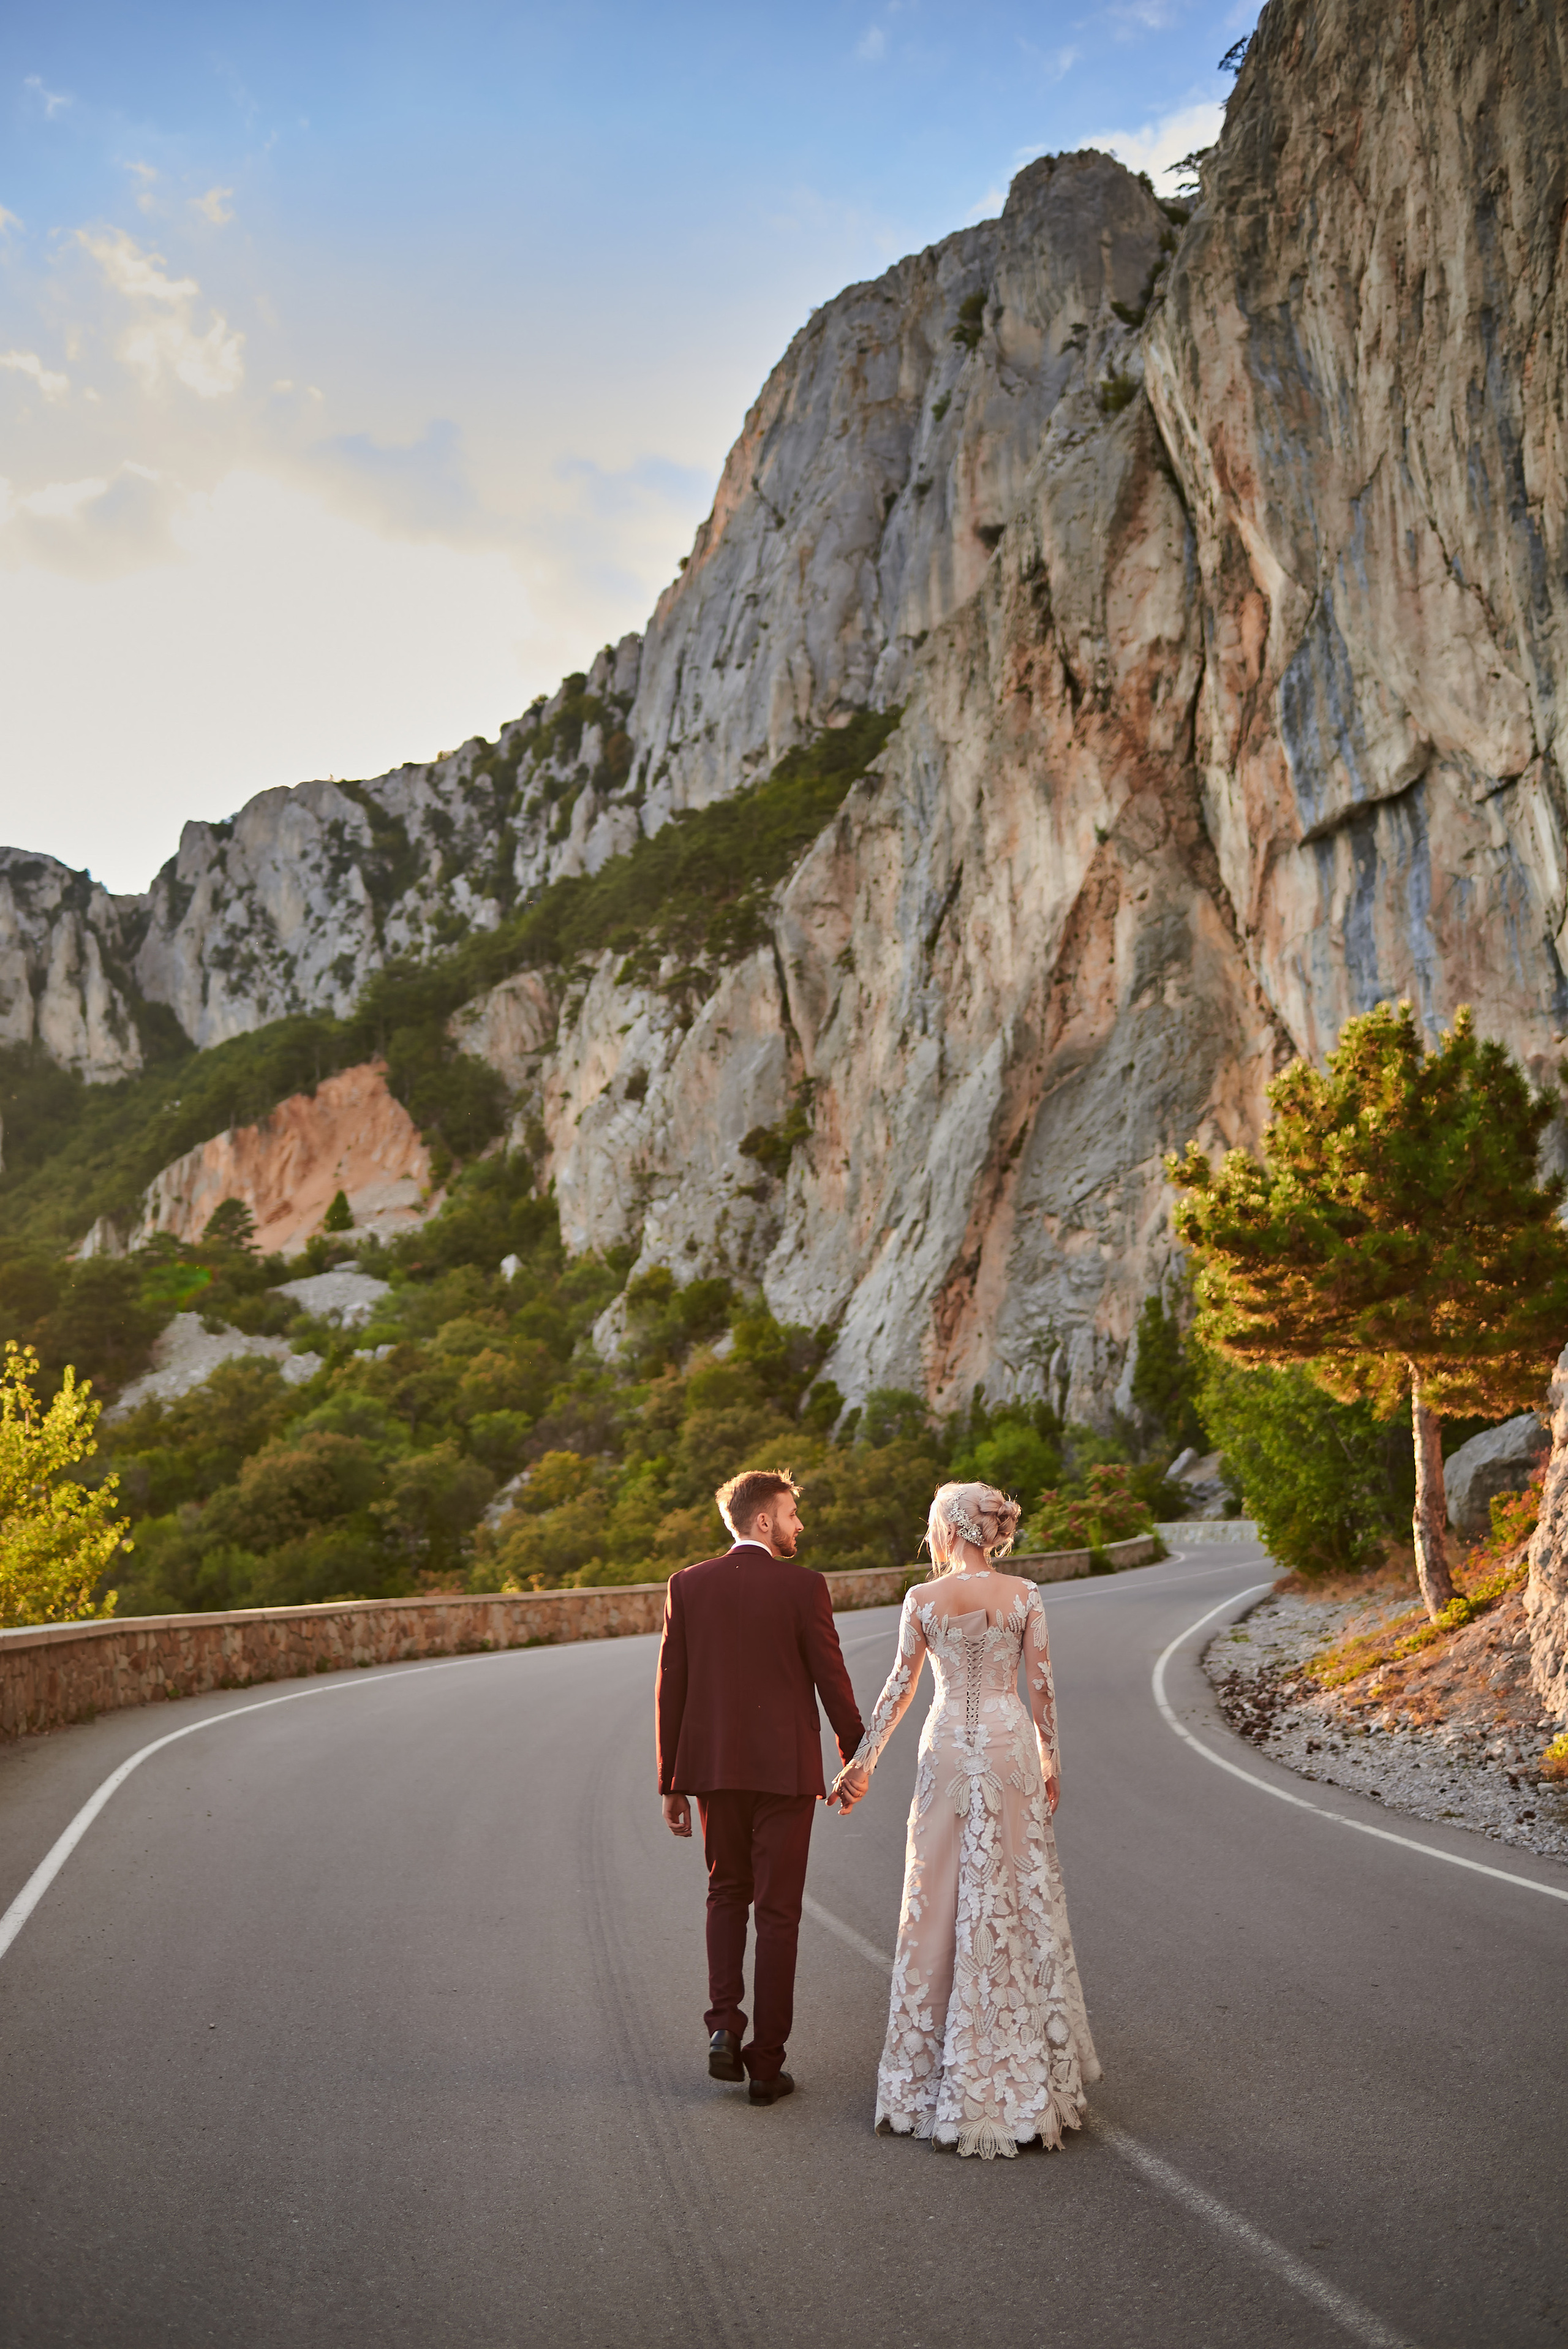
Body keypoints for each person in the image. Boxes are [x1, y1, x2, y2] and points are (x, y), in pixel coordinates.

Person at [829, 1480, 1101, 2158]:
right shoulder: (1024, 1595)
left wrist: (862, 1762)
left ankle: (929, 2078)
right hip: (1008, 1748)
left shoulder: (923, 1600)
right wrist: (1052, 1761)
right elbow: (1040, 1686)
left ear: (948, 1529)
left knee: (939, 1897)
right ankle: (1030, 2069)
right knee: (1017, 1891)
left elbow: (899, 1687)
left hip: (947, 1745)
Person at [656, 1467, 864, 2106]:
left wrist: (672, 1781)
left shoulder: (687, 1585)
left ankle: (723, 2027)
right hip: (785, 1775)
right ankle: (767, 2067)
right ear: (764, 1520)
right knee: (778, 1916)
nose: (801, 1525)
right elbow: (831, 1676)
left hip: (715, 1772)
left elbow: (672, 1686)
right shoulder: (804, 1589)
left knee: (725, 1894)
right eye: (793, 1514)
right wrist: (858, 1756)